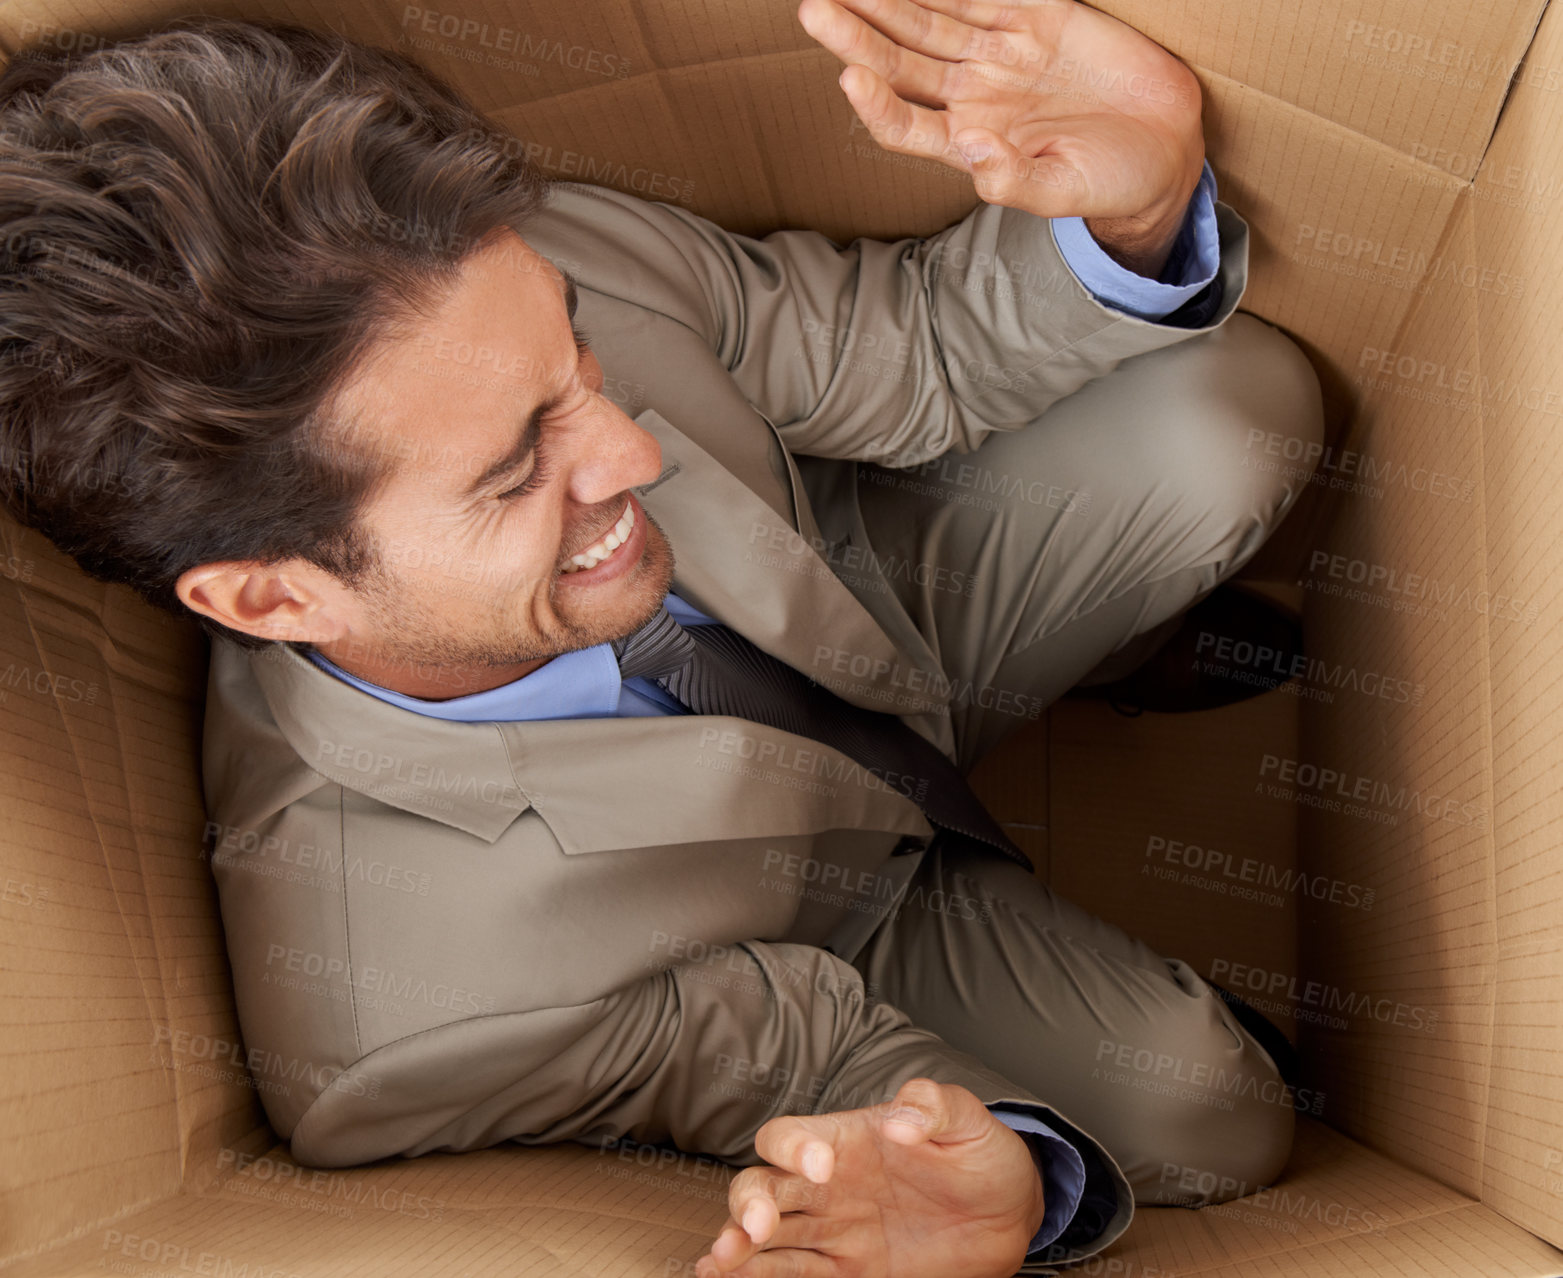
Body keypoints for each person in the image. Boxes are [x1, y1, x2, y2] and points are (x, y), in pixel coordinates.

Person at [0, 6, 1324, 1276]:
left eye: (572, 357)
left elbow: (910, 343)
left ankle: (1088, 662)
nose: (630, 448)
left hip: (873, 599)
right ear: (275, 599)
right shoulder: (394, 1021)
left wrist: (1138, 198)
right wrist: (995, 1173)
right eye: (518, 469)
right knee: (1212, 1114)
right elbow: (774, 1043)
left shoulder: (499, 262)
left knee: (1236, 412)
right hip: (831, 927)